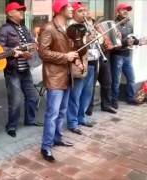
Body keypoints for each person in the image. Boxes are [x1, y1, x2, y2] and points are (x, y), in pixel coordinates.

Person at [38, 0, 82, 162]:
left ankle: (57, 138)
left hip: (66, 75)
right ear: (60, 9)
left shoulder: (67, 28)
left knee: (62, 111)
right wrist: (65, 57)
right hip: (54, 77)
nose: (72, 9)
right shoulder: (49, 27)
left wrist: (75, 59)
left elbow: (69, 50)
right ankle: (46, 146)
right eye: (69, 6)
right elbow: (43, 53)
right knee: (52, 113)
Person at [0, 2, 41, 138]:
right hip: (12, 70)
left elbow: (31, 43)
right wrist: (18, 52)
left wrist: (33, 46)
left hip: (25, 68)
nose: (22, 12)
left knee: (33, 96)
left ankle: (30, 120)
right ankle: (11, 126)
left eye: (22, 10)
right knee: (15, 101)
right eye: (18, 10)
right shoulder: (4, 29)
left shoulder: (23, 27)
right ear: (10, 13)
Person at [66, 1, 97, 136]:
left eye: (85, 10)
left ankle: (81, 117)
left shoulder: (88, 25)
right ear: (73, 13)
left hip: (93, 61)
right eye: (80, 11)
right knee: (75, 95)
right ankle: (72, 122)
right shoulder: (71, 27)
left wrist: (96, 38)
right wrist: (87, 40)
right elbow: (75, 47)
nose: (84, 13)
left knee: (87, 93)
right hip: (79, 64)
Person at [85, 7, 117, 116]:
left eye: (89, 11)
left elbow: (108, 39)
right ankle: (88, 108)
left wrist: (114, 38)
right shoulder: (83, 26)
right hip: (91, 57)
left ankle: (106, 105)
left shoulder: (99, 26)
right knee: (91, 84)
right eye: (86, 11)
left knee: (107, 81)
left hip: (104, 55)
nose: (88, 12)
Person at [110, 3, 141, 109]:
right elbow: (113, 43)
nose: (126, 11)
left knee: (131, 78)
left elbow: (130, 38)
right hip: (117, 55)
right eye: (123, 9)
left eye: (127, 9)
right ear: (118, 11)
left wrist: (138, 41)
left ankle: (130, 97)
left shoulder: (130, 24)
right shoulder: (113, 24)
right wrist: (126, 42)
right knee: (116, 80)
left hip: (127, 55)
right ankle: (114, 100)